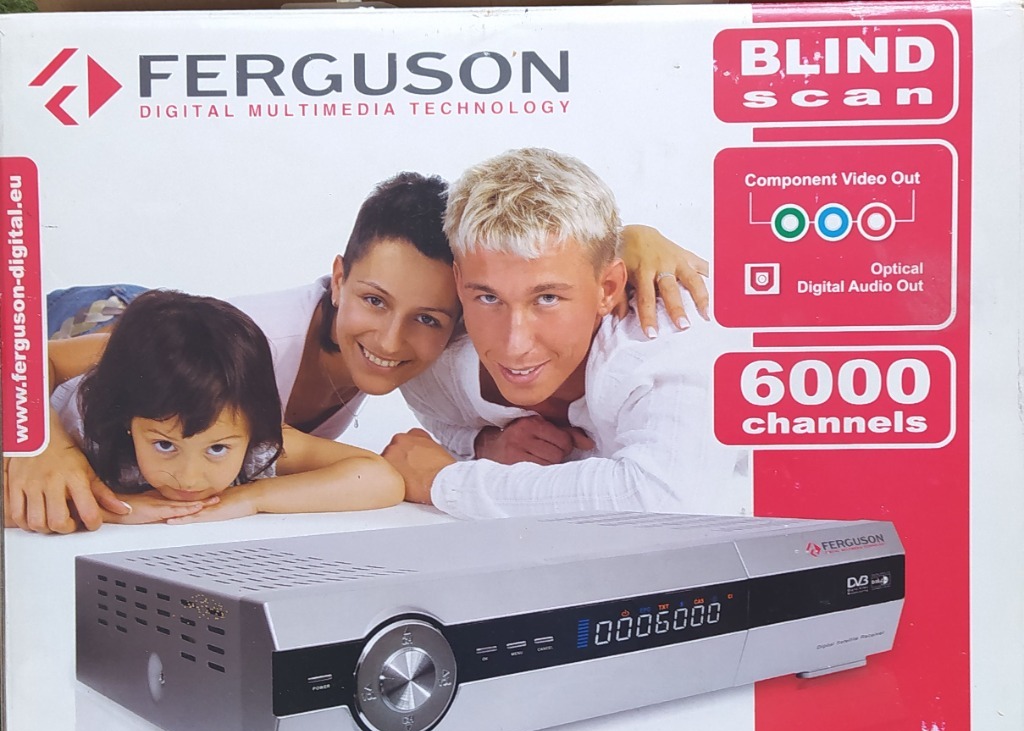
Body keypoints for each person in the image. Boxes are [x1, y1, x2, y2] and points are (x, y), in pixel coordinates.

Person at [4, 172, 707, 533]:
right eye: (372, 300)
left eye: (428, 318)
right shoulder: (248, 343)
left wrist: (632, 238)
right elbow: (32, 356)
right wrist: (40, 446)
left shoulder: (476, 333)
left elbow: (534, 235)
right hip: (100, 323)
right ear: (338, 278)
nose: (392, 342)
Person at [384, 148, 735, 519]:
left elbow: (663, 501)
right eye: (488, 297)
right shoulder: (435, 368)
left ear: (608, 288)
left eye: (547, 298)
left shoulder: (667, 330)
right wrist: (484, 445)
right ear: (459, 282)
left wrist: (444, 482)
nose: (514, 345)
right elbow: (447, 425)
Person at [11, 290, 404, 527]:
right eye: (165, 445)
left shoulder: (250, 435)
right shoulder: (85, 424)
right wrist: (115, 506)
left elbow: (379, 478)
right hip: (87, 319)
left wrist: (253, 499)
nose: (189, 478)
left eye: (217, 449)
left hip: (178, 329)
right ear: (128, 422)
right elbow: (25, 359)